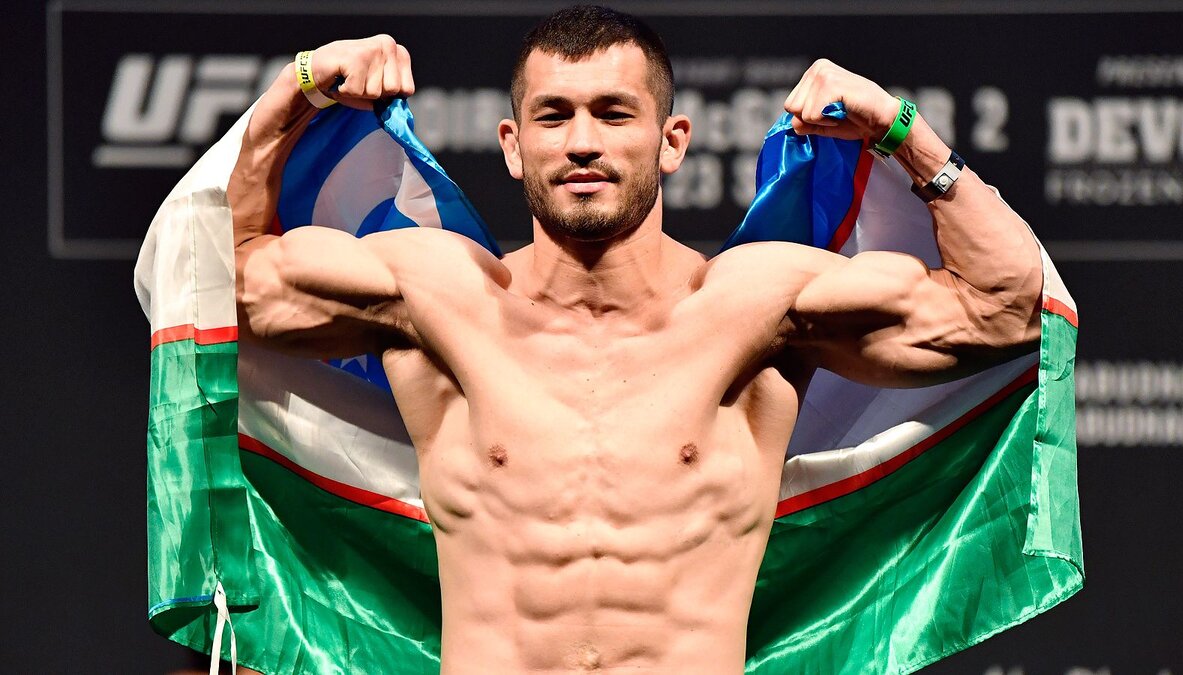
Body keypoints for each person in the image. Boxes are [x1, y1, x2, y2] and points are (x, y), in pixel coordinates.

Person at [228, 5, 1043, 673]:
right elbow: (225, 281)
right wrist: (296, 89)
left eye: (614, 113)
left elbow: (1006, 308)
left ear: (672, 140)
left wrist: (901, 129)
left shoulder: (760, 305)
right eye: (554, 115)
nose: (582, 141)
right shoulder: (437, 298)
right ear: (513, 145)